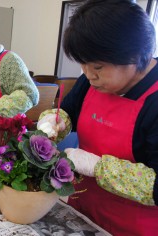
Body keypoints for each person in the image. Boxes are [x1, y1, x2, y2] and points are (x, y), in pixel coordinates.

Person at [37, 0, 158, 234]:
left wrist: (98, 167)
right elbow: (68, 111)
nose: (88, 75)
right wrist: (55, 120)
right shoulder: (91, 80)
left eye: (98, 67)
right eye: (83, 64)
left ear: (135, 54)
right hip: (83, 210)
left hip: (131, 226)